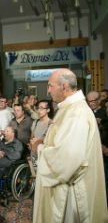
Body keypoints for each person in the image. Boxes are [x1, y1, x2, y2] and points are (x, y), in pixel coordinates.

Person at [31, 69, 108, 223]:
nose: (48, 90)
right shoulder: (68, 108)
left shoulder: (76, 113)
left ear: (64, 86)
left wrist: (39, 148)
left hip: (70, 193)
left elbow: (67, 159)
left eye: (50, 86)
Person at [86, 91, 108, 204]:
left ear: (99, 100)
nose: (91, 103)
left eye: (93, 101)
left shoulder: (105, 113)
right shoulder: (87, 112)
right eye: (89, 101)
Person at [29, 100, 53, 167]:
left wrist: (39, 141)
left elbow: (51, 141)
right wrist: (31, 142)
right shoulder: (35, 122)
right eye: (38, 108)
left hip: (45, 155)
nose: (39, 110)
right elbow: (32, 137)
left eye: (42, 108)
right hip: (34, 154)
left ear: (48, 110)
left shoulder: (51, 124)